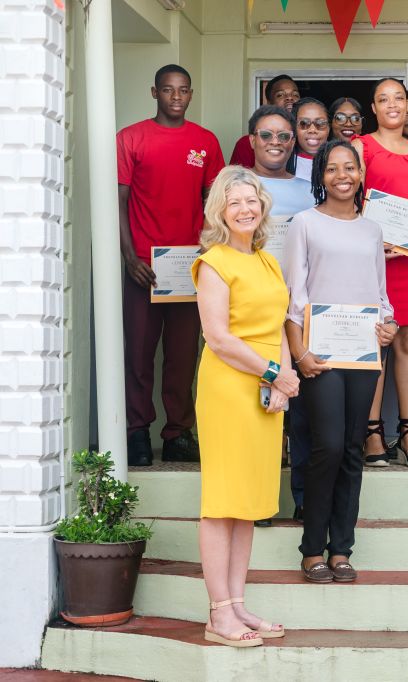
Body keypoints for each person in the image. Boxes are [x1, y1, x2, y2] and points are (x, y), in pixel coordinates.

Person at [191, 166, 299, 647]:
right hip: (228, 389)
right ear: (220, 210)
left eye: (252, 200)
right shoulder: (213, 262)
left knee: (247, 503)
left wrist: (283, 376)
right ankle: (217, 614)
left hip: (263, 389)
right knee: (222, 502)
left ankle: (237, 604)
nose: (245, 209)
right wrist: (273, 373)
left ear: (263, 208)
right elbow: (218, 337)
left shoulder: (267, 262)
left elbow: (276, 325)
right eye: (234, 202)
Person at [284, 140, 397, 584]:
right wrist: (300, 353)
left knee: (352, 447)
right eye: (332, 169)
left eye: (350, 167)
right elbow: (295, 296)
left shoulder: (371, 230)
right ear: (321, 177)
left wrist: (387, 324)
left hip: (364, 350)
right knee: (326, 445)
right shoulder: (304, 224)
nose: (342, 175)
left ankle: (341, 549)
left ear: (361, 174)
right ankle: (312, 548)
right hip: (320, 352)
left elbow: (379, 292)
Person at [116, 64, 225, 466]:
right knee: (139, 355)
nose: (175, 97)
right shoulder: (131, 138)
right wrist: (128, 258)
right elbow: (119, 203)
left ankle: (177, 433)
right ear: (154, 92)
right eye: (167, 90)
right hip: (143, 266)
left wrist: (209, 254)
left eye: (182, 90)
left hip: (189, 269)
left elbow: (216, 206)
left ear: (191, 95)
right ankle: (137, 432)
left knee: (182, 357)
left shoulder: (205, 141)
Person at [352, 78, 408, 468]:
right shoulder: (361, 147)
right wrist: (373, 240)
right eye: (383, 99)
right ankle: (372, 433)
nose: (393, 105)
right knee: (375, 342)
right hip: (372, 259)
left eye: (399, 98)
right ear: (373, 108)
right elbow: (348, 203)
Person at [247, 104, 315, 526]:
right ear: (252, 139)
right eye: (267, 135)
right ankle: (258, 500)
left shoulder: (310, 188)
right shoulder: (236, 185)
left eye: (284, 136)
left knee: (303, 412)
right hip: (253, 310)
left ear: (294, 142)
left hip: (301, 310)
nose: (276, 142)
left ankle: (303, 497)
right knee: (259, 409)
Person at [229, 74, 300, 168]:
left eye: (295, 95)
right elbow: (237, 179)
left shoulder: (309, 140)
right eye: (280, 95)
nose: (290, 98)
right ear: (269, 102)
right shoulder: (248, 143)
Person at [290, 97, 330, 182]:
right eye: (303, 123)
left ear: (329, 128)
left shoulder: (339, 161)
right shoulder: (282, 163)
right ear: (294, 128)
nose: (312, 130)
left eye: (320, 123)